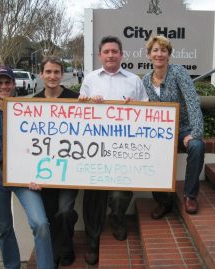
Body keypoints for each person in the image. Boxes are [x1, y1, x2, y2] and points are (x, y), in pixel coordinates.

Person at [79, 35, 148, 265]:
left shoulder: (134, 81)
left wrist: (134, 105)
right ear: (100, 55)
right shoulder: (89, 79)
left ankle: (117, 219)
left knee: (120, 193)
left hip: (123, 147)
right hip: (94, 147)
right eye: (106, 51)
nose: (110, 55)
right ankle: (92, 241)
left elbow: (148, 111)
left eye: (114, 51)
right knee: (93, 196)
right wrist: (89, 102)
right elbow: (79, 110)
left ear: (121, 54)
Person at [0, 66, 54, 269]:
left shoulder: (29, 106)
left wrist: (40, 172)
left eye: (8, 82)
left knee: (40, 223)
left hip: (25, 175)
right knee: (4, 229)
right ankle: (12, 266)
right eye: (0, 83)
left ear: (14, 84)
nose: (4, 86)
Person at [142, 35, 205, 219]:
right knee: (148, 150)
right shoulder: (145, 80)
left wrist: (195, 133)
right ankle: (164, 201)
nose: (159, 54)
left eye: (163, 50)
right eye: (155, 50)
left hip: (183, 128)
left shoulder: (178, 72)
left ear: (169, 54)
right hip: (160, 131)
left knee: (197, 146)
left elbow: (192, 101)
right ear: (148, 55)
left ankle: (190, 196)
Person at [32, 56, 79, 267]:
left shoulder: (76, 99)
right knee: (51, 214)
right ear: (41, 74)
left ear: (62, 74)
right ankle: (60, 249)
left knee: (65, 211)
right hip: (43, 171)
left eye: (56, 72)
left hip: (71, 170)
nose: (52, 76)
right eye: (48, 72)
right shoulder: (32, 103)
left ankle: (65, 249)